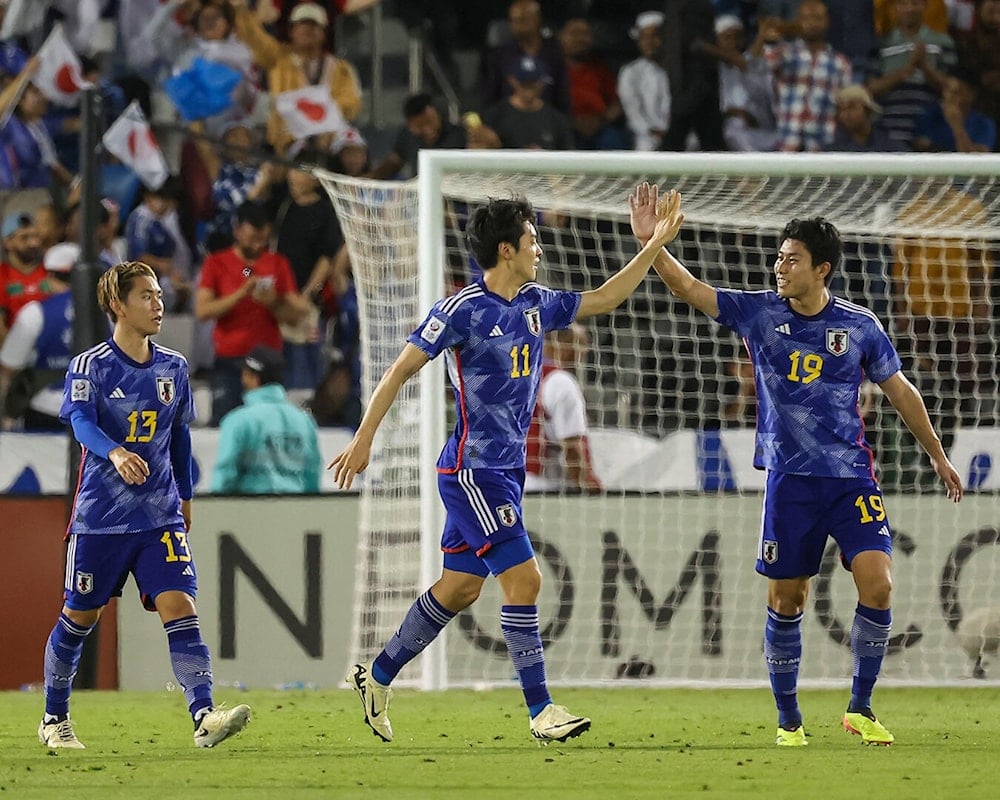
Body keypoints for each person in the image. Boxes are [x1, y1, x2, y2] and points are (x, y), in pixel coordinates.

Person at [330, 187, 685, 744]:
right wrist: (364, 438)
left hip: (505, 474)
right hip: (472, 471)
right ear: (505, 249)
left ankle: (375, 676)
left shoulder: (536, 302)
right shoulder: (462, 310)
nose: (539, 248)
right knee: (525, 579)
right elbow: (398, 371)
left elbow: (605, 298)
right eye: (531, 239)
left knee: (459, 588)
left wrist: (652, 247)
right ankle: (541, 711)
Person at [628, 182, 963, 747]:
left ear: (822, 269)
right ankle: (789, 721)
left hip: (852, 476)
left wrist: (936, 453)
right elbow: (690, 288)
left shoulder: (859, 326)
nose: (779, 266)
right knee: (788, 600)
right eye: (778, 257)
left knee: (878, 585)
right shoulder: (760, 313)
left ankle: (860, 706)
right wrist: (652, 244)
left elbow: (901, 390)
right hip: (790, 481)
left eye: (791, 259)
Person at [39, 261, 251, 750]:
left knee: (180, 606)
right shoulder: (90, 365)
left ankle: (204, 716)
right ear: (118, 304)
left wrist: (186, 493)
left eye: (159, 295)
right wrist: (114, 451)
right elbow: (81, 425)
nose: (158, 304)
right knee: (80, 616)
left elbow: (178, 436)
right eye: (146, 296)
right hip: (100, 518)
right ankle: (54, 718)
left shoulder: (173, 366)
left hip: (158, 515)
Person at [195, 201, 306, 425]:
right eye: (252, 238)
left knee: (270, 426)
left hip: (268, 362)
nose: (257, 245)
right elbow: (203, 310)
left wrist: (273, 302)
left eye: (263, 240)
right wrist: (240, 294)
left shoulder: (278, 263)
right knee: (224, 424)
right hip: (229, 361)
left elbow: (295, 317)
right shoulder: (217, 263)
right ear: (237, 231)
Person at [231, 0, 362, 156]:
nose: (307, 30)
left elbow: (350, 104)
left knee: (354, 152)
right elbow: (253, 36)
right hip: (288, 141)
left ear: (324, 33)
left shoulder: (341, 69)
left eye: (313, 25)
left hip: (329, 141)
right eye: (300, 25)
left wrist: (322, 126)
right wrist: (240, 9)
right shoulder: (278, 58)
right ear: (291, 31)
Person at [211, 344, 321, 493]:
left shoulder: (238, 421)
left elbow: (225, 475)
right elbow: (312, 475)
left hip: (250, 511)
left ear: (254, 378)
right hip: (296, 510)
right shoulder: (305, 421)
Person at [753, 0, 853, 152]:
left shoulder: (841, 63)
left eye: (818, 18)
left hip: (824, 149)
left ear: (827, 22)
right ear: (798, 21)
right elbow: (759, 65)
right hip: (788, 146)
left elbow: (845, 105)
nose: (812, 23)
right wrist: (770, 37)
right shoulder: (784, 53)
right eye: (806, 18)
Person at [0, 243, 78, 430]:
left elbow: (9, 368)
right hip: (94, 411)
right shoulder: (109, 312)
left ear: (49, 275)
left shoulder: (36, 313)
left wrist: (6, 416)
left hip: (45, 408)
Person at [866, 0, 956, 151]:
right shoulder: (881, 44)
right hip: (891, 131)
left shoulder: (943, 42)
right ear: (895, 7)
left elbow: (953, 89)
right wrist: (906, 71)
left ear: (925, 6)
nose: (910, 9)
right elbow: (871, 88)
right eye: (903, 3)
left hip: (931, 132)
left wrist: (925, 68)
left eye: (915, 3)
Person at [525, 324, 601, 492]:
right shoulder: (560, 381)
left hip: (507, 482)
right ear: (559, 342)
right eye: (580, 343)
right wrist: (586, 488)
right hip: (541, 486)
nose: (585, 350)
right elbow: (572, 446)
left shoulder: (517, 375)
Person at [473, 56, 574, 150]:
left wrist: (543, 159)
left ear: (542, 83)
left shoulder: (556, 120)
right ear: (512, 80)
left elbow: (570, 160)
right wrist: (494, 145)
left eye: (533, 84)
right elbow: (477, 150)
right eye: (524, 84)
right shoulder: (494, 116)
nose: (528, 90)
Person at [368, 94, 466, 180]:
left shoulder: (459, 134)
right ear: (409, 125)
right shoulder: (407, 136)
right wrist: (365, 181)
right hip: (422, 196)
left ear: (438, 115)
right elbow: (393, 163)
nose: (428, 130)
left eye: (430, 122)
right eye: (419, 125)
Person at [617, 11, 672, 152]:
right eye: (643, 37)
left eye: (655, 35)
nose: (649, 42)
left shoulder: (680, 69)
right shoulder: (630, 72)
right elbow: (633, 114)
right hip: (647, 136)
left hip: (681, 134)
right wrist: (654, 132)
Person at [0, 212, 47, 346]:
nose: (33, 243)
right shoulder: (2, 275)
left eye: (35, 236)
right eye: (24, 237)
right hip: (16, 351)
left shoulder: (49, 271)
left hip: (49, 351)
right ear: (8, 242)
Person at [824, 84, 899, 151]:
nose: (844, 115)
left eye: (851, 107)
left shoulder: (889, 146)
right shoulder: (833, 150)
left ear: (867, 110)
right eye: (840, 109)